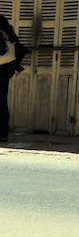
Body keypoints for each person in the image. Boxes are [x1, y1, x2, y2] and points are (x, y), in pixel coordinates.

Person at [0, 12, 28, 144]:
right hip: (4, 67)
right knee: (2, 101)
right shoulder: (2, 21)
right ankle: (3, 133)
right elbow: (15, 41)